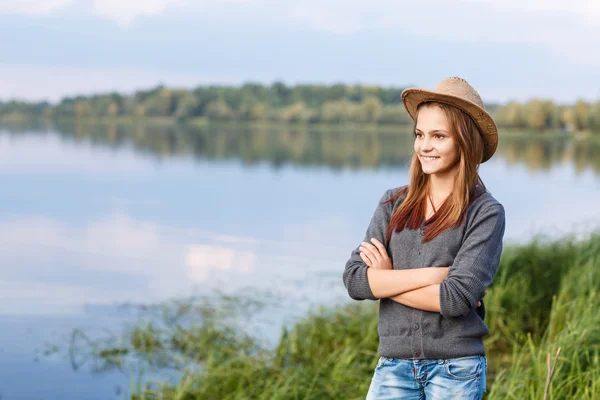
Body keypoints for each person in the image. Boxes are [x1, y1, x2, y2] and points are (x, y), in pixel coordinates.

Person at [342, 76, 505, 400]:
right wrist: (431, 277)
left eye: (439, 136)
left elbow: (456, 299)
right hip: (392, 366)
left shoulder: (485, 213)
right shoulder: (392, 204)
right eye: (420, 134)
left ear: (464, 141)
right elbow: (356, 281)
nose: (424, 146)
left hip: (456, 370)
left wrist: (385, 282)